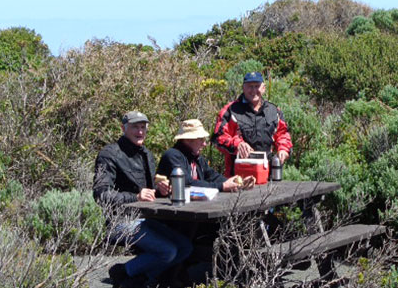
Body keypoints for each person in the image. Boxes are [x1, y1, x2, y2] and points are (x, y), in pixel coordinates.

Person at [93, 111, 192, 288]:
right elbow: (101, 194)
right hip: (120, 222)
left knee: (185, 247)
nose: (140, 132)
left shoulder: (146, 153)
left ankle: (135, 276)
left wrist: (160, 190)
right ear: (123, 128)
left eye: (143, 127)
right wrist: (136, 196)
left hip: (146, 219)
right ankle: (125, 272)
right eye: (134, 127)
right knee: (167, 251)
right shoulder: (109, 154)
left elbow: (148, 192)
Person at [211, 71, 293, 177]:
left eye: (257, 86)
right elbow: (218, 138)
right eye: (250, 86)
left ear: (263, 88)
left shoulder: (274, 111)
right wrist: (237, 144)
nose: (253, 90)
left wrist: (283, 149)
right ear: (243, 88)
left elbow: (283, 134)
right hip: (237, 176)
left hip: (267, 175)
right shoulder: (230, 110)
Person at [156, 119, 245, 195]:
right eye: (201, 139)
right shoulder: (173, 156)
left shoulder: (196, 157)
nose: (204, 144)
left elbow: (212, 176)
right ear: (188, 140)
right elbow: (186, 183)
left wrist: (235, 182)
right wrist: (222, 186)